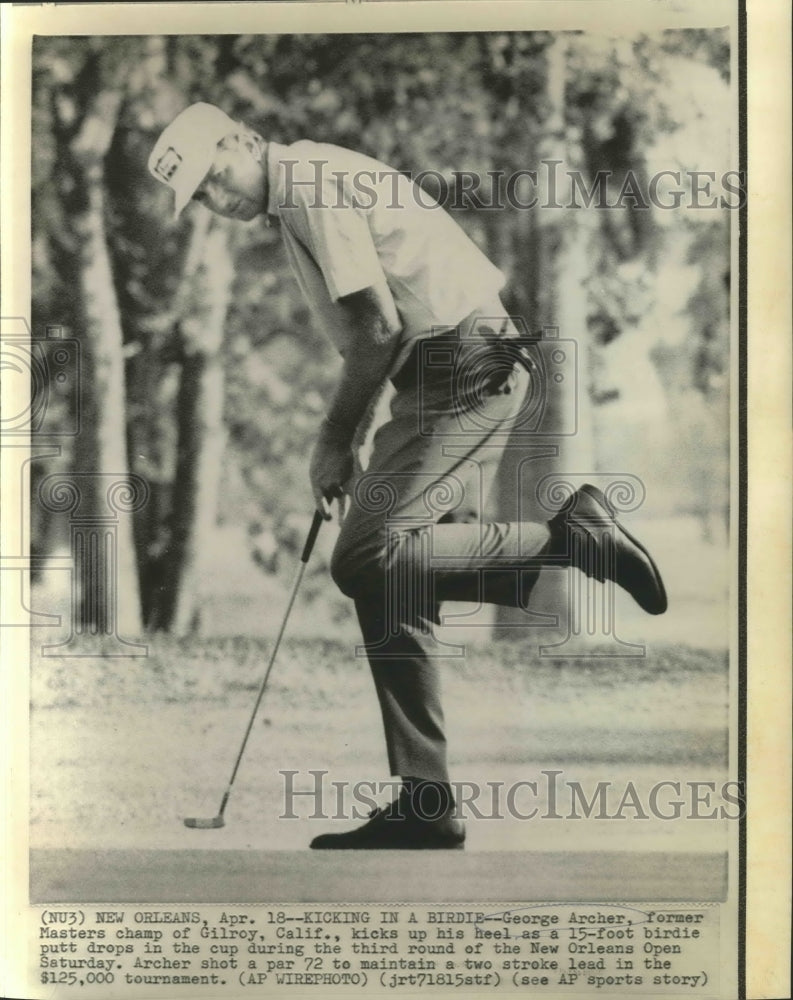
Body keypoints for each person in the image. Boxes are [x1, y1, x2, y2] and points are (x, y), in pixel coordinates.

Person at [149, 102, 667, 850]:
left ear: (244, 141)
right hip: (440, 373)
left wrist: (333, 440)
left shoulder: (309, 185)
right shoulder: (301, 189)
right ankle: (426, 800)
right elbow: (379, 333)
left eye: (214, 176)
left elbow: (378, 328)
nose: (217, 199)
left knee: (365, 558)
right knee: (395, 575)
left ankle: (569, 537)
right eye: (201, 196)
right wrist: (357, 431)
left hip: (461, 366)